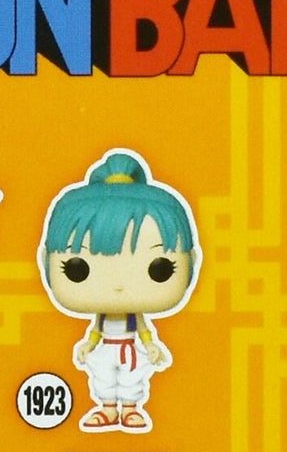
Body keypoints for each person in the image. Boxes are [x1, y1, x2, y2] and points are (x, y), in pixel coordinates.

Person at [39, 149, 200, 432]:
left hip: (129, 348)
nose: (118, 286)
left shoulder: (133, 317)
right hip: (105, 347)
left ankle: (130, 408)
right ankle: (108, 408)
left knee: (131, 377)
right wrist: (88, 345)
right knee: (103, 376)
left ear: (192, 261)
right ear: (46, 261)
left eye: (159, 268)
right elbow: (96, 330)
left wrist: (151, 345)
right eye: (77, 268)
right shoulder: (102, 316)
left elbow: (143, 329)